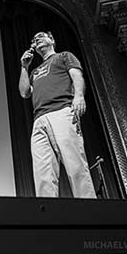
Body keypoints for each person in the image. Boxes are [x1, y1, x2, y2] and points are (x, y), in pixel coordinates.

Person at [19, 31, 96, 198]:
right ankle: (48, 215)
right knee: (43, 173)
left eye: (40, 36)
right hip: (39, 119)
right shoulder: (35, 71)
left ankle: (90, 211)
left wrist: (79, 96)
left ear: (51, 40)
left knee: (75, 165)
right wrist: (24, 67)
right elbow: (25, 92)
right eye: (34, 39)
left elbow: (77, 75)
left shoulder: (64, 56)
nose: (36, 39)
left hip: (62, 111)